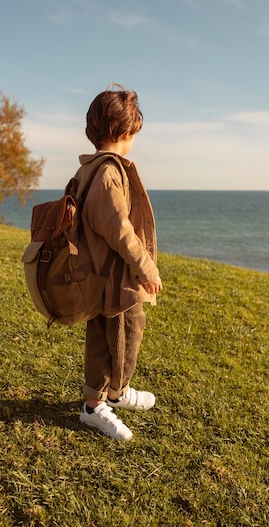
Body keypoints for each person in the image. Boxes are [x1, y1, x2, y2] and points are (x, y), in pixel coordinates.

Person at [75, 83, 163, 441]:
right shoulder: (110, 173)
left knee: (105, 337)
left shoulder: (90, 168)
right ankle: (102, 402)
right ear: (127, 131)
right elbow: (121, 231)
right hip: (116, 280)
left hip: (99, 274)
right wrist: (148, 268)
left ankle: (108, 396)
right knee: (125, 332)